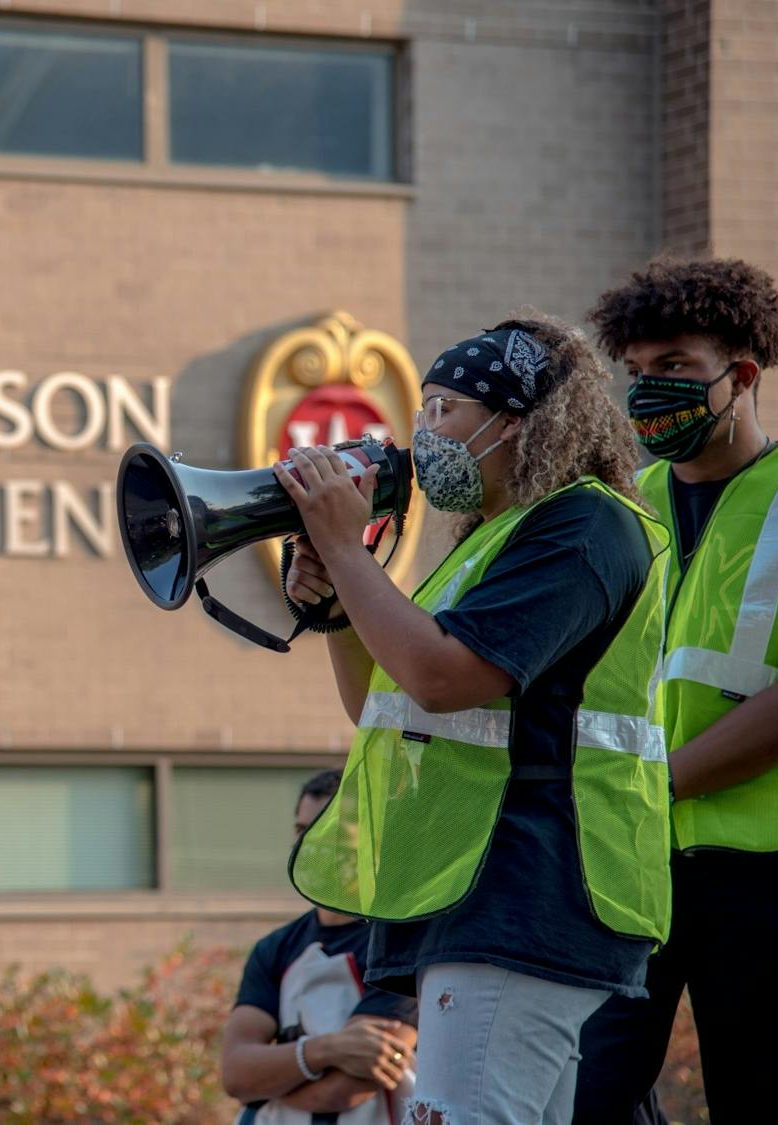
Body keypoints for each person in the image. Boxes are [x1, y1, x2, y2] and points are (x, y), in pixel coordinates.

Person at [276, 314, 673, 1125]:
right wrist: (336, 602)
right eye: (421, 410)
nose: (423, 433)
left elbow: (439, 676)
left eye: (445, 409)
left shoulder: (585, 525)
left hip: (531, 887)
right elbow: (380, 703)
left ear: (518, 421)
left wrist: (351, 555)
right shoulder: (487, 543)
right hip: (478, 888)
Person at [572, 258, 778, 1123]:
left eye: (673, 366)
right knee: (580, 1098)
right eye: (636, 371)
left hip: (768, 878)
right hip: (625, 871)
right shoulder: (616, 509)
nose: (647, 391)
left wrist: (650, 786)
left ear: (741, 374)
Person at [220, 769, 419, 1124]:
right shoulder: (275, 948)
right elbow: (236, 1074)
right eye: (300, 831)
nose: (308, 845)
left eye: (328, 832)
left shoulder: (405, 939)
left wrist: (266, 1093)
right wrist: (328, 1048)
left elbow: (348, 1087)